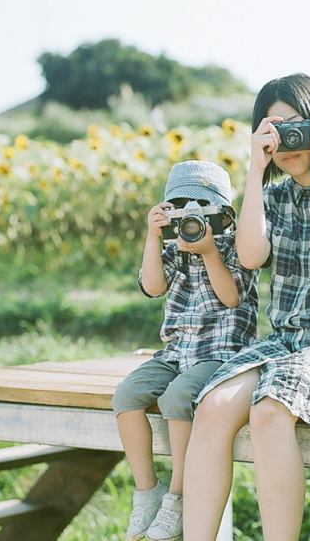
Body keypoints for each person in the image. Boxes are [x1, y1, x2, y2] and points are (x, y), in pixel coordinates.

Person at [181, 73, 310, 541]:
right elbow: (252, 256)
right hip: (287, 342)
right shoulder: (272, 194)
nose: (287, 140)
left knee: (269, 408)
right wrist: (255, 171)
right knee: (213, 406)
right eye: (273, 130)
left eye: (296, 125)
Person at [112, 160, 259, 541]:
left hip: (222, 352)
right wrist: (153, 236)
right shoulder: (174, 246)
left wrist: (209, 252)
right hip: (177, 351)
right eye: (182, 208)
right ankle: (148, 492)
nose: (192, 219)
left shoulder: (237, 246)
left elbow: (230, 298)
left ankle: (178, 496)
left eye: (202, 208)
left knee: (178, 399)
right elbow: (153, 287)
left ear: (222, 214)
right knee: (126, 396)